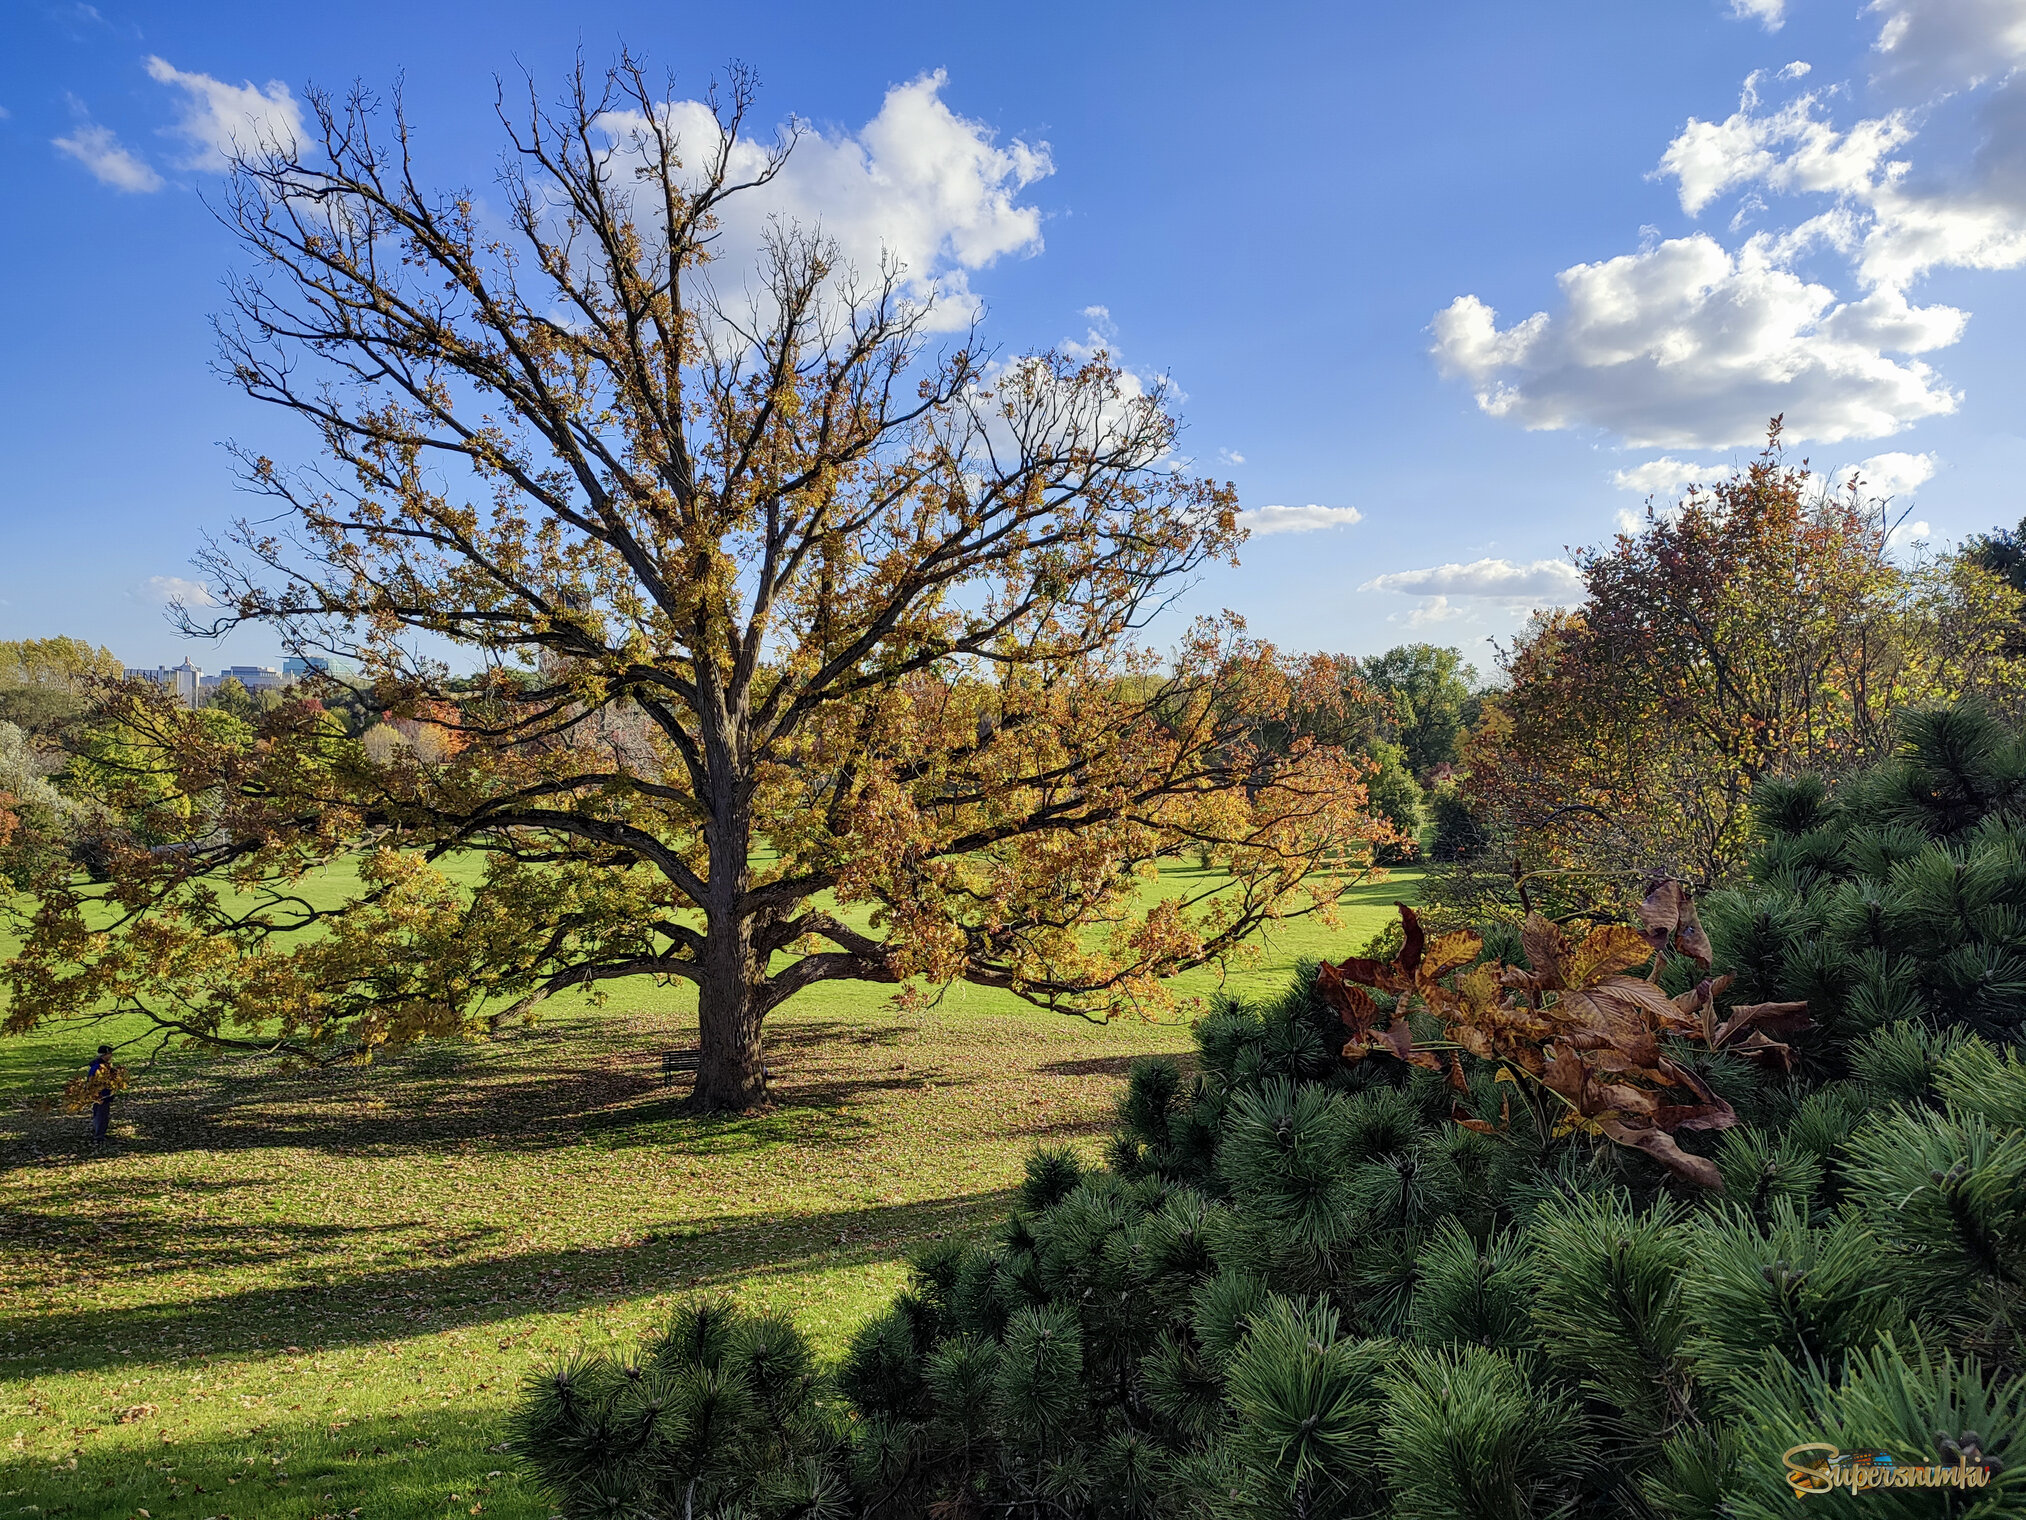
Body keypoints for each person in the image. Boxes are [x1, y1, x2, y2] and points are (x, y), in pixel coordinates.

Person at [87, 1044, 115, 1143]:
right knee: (101, 1115)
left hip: (101, 1095)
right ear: (104, 1054)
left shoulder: (99, 1066)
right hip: (102, 1095)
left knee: (99, 1114)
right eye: (109, 1053)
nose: (111, 1055)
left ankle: (98, 1132)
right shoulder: (99, 1067)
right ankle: (99, 1136)